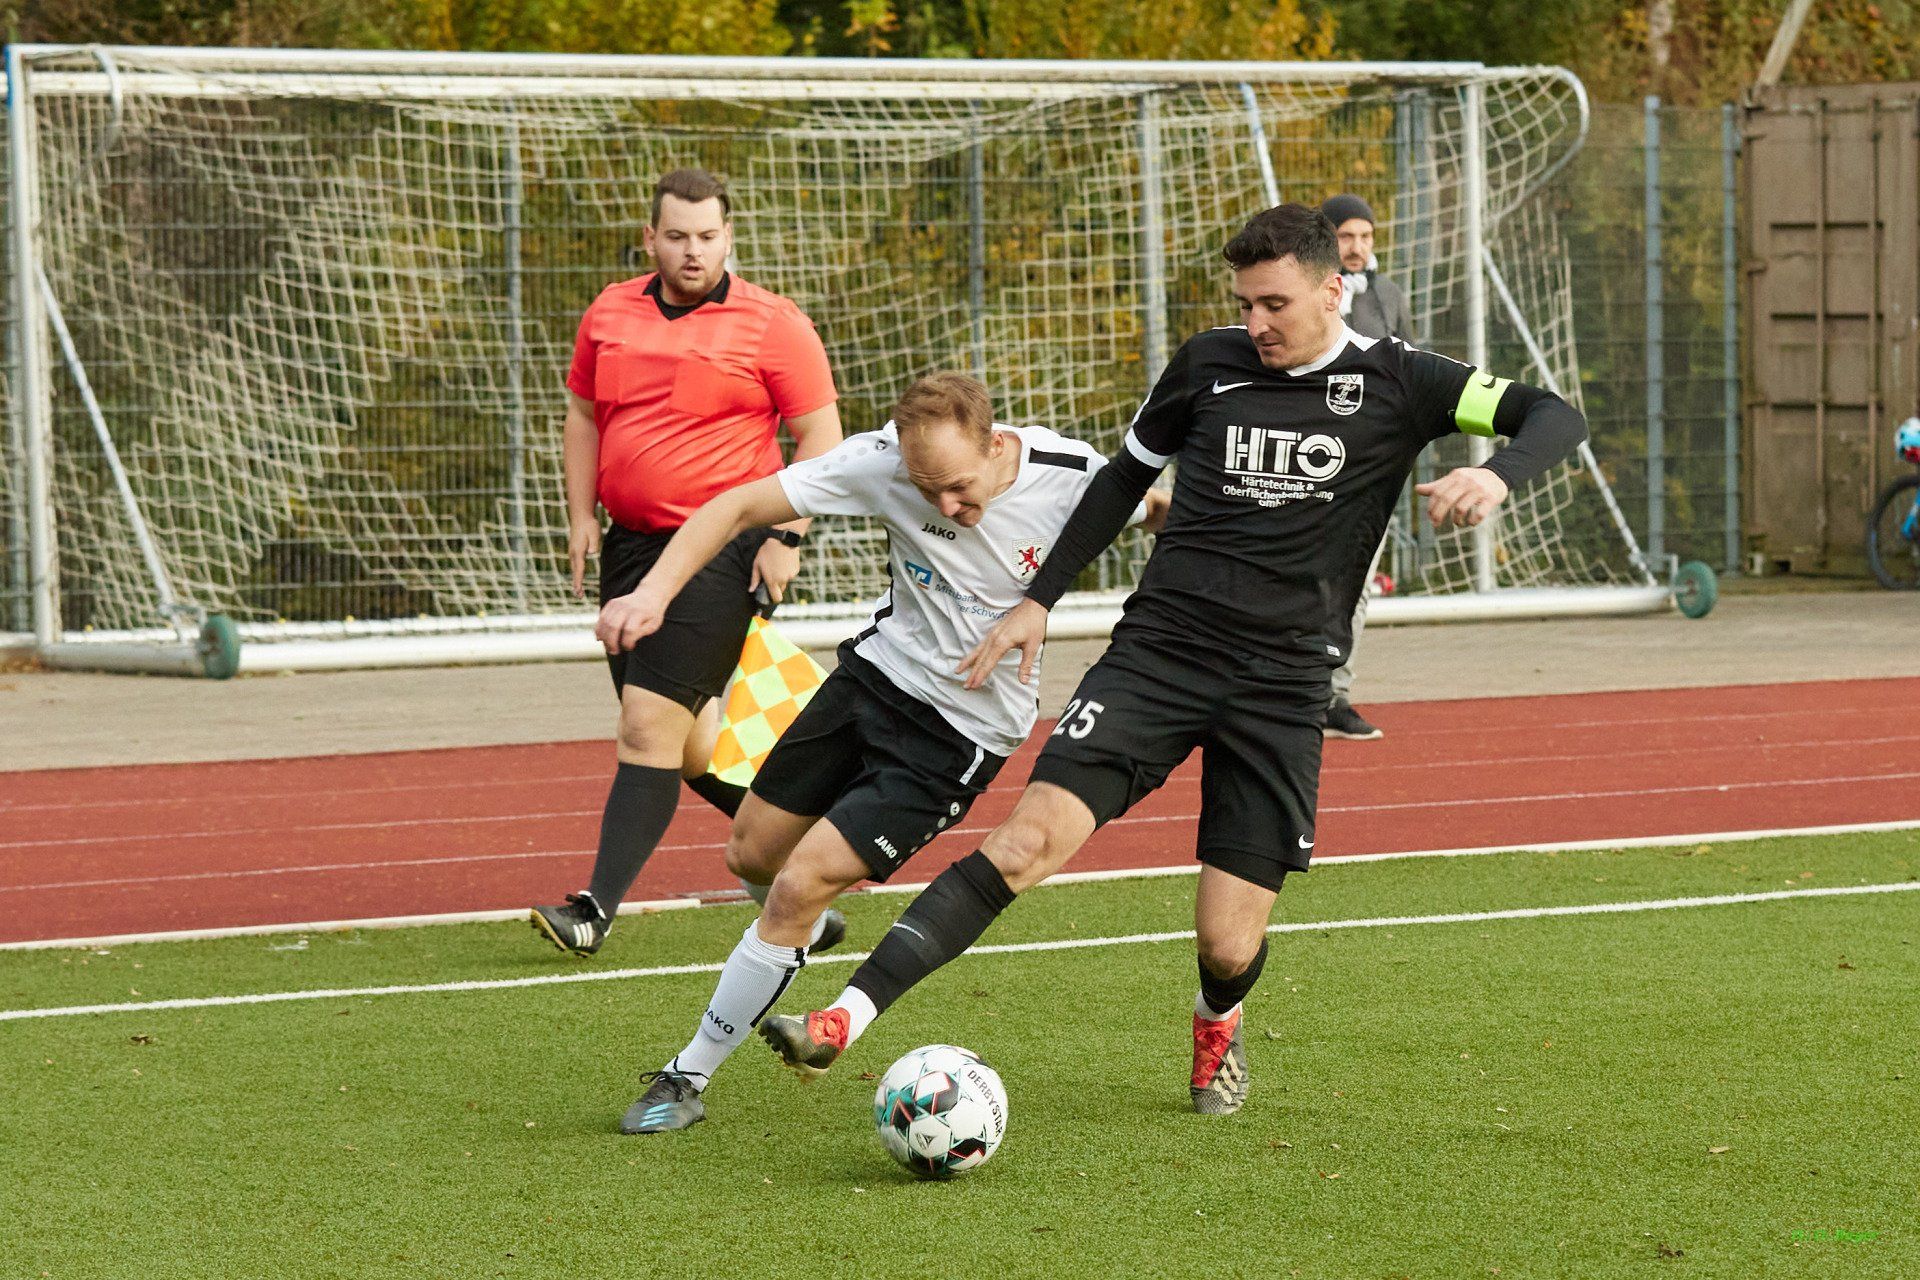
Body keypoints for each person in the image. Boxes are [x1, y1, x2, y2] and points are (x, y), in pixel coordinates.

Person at [761, 203, 1587, 1116]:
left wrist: (1495, 472)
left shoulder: (1406, 381)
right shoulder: (1207, 364)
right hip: (1160, 655)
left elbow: (1554, 414)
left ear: (1332, 290)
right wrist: (1040, 600)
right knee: (1025, 842)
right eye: (1245, 303)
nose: (1255, 323)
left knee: (1228, 945)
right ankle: (843, 1018)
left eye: (1274, 304)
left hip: (1283, 684)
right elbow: (1123, 479)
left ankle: (1217, 1020)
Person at [597, 372, 1168, 1132]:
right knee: (751, 855)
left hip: (959, 732)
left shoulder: (1071, 474)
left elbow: (1156, 509)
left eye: (959, 487)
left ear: (996, 444)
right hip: (871, 680)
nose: (945, 507)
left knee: (798, 883)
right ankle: (799, 929)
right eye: (926, 489)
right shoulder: (881, 462)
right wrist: (653, 594)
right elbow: (735, 506)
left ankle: (685, 1077)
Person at [529, 168, 845, 957]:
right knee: (691, 747)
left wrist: (786, 537)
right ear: (651, 238)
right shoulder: (609, 312)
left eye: (707, 236)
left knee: (646, 726)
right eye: (677, 236)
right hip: (631, 547)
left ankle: (593, 911)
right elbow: (581, 415)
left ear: (728, 236)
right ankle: (798, 882)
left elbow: (821, 436)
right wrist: (581, 516)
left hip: (722, 553)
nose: (693, 251)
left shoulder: (774, 324)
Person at [1319, 192, 1413, 741]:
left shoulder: (1390, 295)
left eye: (1366, 236)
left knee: (1357, 585)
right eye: (1346, 236)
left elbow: (1411, 371)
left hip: (1372, 464)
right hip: (1310, 461)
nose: (1356, 247)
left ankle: (1334, 695)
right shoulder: (1306, 293)